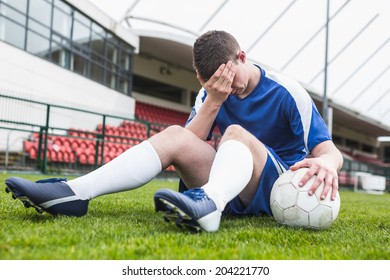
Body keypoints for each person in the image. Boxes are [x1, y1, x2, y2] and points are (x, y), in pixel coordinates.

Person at [4, 30, 343, 233]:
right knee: (174, 135)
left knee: (235, 132)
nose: (227, 87)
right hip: (226, 183)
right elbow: (187, 143)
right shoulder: (210, 91)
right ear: (201, 77)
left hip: (277, 188)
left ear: (242, 56)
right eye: (209, 81)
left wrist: (327, 165)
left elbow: (328, 150)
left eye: (230, 77)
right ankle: (74, 193)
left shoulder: (287, 91)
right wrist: (214, 100)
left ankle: (208, 208)